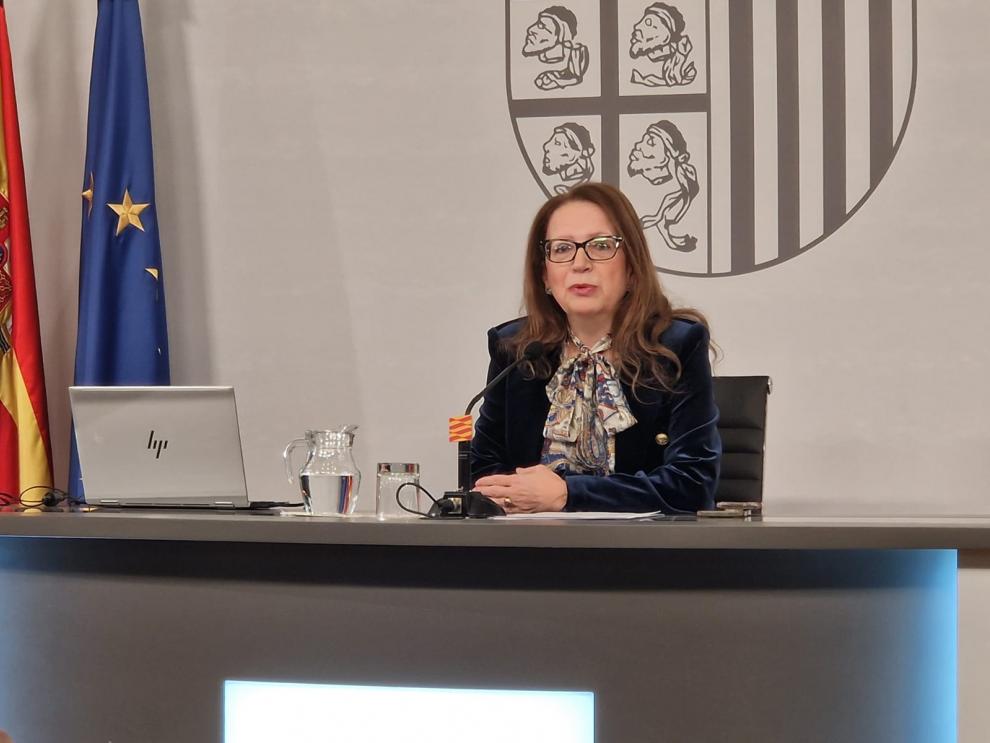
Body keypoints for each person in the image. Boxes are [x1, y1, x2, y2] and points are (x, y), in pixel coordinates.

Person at [471, 182, 719, 513]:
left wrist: (569, 494)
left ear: (632, 268)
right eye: (562, 249)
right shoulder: (515, 348)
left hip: (645, 545)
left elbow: (693, 486)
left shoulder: (675, 347)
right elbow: (484, 474)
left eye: (601, 246)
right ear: (544, 275)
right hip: (529, 542)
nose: (580, 263)